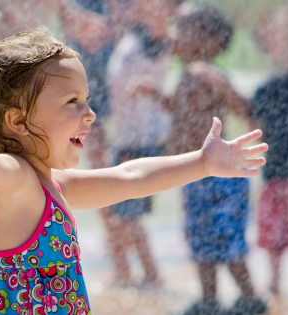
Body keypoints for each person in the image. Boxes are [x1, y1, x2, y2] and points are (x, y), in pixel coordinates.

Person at [0, 27, 268, 315]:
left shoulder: (53, 186)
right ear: (18, 121)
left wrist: (202, 163)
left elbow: (130, 177)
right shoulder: (18, 182)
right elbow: (4, 173)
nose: (91, 114)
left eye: (87, 99)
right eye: (72, 102)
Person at [134, 5, 267, 314]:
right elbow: (184, 114)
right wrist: (157, 96)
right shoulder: (186, 75)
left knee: (227, 241)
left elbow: (245, 109)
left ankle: (250, 298)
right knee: (201, 240)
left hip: (222, 177)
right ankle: (209, 300)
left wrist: (220, 84)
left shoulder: (207, 72)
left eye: (182, 29)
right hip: (196, 174)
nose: (173, 35)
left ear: (208, 41)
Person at [98, 0, 183, 289]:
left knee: (126, 214)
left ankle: (151, 274)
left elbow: (163, 23)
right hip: (127, 137)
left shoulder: (157, 38)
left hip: (142, 139)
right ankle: (133, 274)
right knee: (120, 212)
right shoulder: (134, 38)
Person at [252, 5, 288, 296]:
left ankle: (274, 282)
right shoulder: (268, 88)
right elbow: (254, 125)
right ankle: (274, 282)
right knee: (274, 238)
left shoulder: (271, 87)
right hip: (276, 175)